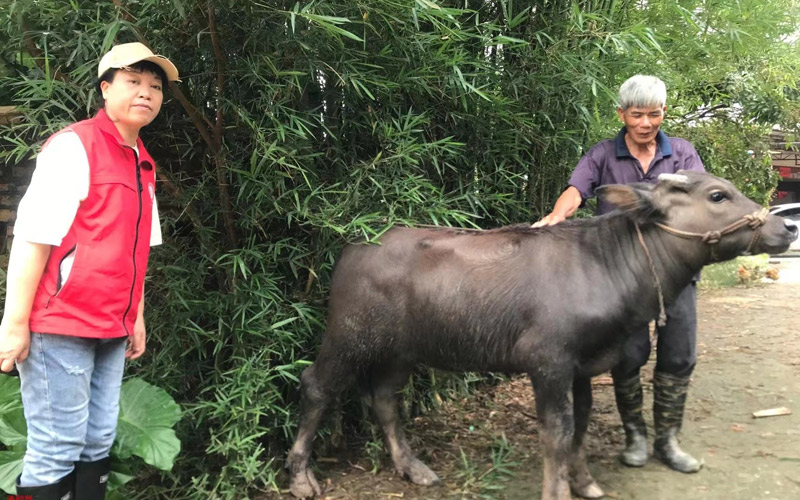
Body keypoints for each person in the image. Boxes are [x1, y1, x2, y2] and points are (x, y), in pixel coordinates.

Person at [0, 42, 179, 499]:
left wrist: (135, 315)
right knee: (56, 447)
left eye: (155, 86)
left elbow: (137, 250)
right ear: (106, 88)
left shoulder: (142, 162)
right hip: (60, 323)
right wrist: (15, 322)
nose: (146, 93)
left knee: (98, 439)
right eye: (133, 81)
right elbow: (32, 236)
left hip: (111, 326)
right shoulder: (73, 146)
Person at [534, 75, 704, 473]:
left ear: (664, 112)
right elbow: (577, 189)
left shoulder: (681, 153)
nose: (646, 123)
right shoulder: (602, 154)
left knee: (679, 355)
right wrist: (558, 215)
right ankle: (636, 436)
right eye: (637, 114)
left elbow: (699, 198)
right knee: (628, 356)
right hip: (620, 282)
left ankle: (667, 439)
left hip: (675, 275)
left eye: (654, 114)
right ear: (622, 114)